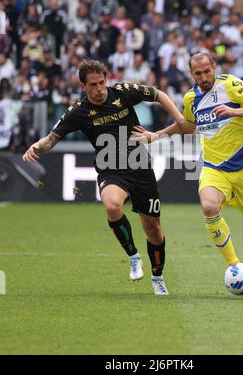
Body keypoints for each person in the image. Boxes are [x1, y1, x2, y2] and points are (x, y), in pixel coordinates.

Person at [23, 59, 186, 296]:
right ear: (83, 86)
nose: (99, 89)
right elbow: (51, 139)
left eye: (102, 82)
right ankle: (133, 256)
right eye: (93, 85)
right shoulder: (77, 111)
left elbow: (158, 94)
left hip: (139, 166)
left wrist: (179, 121)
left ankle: (157, 276)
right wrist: (35, 147)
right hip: (109, 167)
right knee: (112, 205)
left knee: (153, 229)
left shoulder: (123, 92)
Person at [133, 52, 243, 295]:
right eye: (198, 73)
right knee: (209, 207)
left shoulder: (231, 84)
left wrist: (234, 112)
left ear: (214, 67)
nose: (204, 77)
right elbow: (187, 125)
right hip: (213, 168)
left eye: (207, 71)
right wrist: (154, 136)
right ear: (192, 74)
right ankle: (235, 267)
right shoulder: (191, 98)